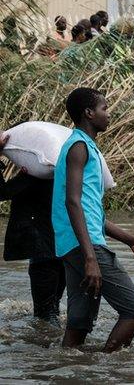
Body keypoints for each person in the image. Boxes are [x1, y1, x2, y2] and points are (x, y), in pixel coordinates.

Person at [52, 88, 134, 352]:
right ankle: (108, 369)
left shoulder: (84, 146)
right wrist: (90, 257)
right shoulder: (78, 147)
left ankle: (70, 370)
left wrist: (131, 239)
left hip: (72, 245)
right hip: (85, 247)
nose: (108, 114)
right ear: (89, 113)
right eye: (104, 109)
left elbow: (90, 212)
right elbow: (72, 202)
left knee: (79, 322)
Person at [0, 132, 64, 326]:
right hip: (62, 252)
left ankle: (47, 352)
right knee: (53, 309)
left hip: (42, 255)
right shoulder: (62, 178)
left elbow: (2, 193)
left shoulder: (33, 177)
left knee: (44, 317)